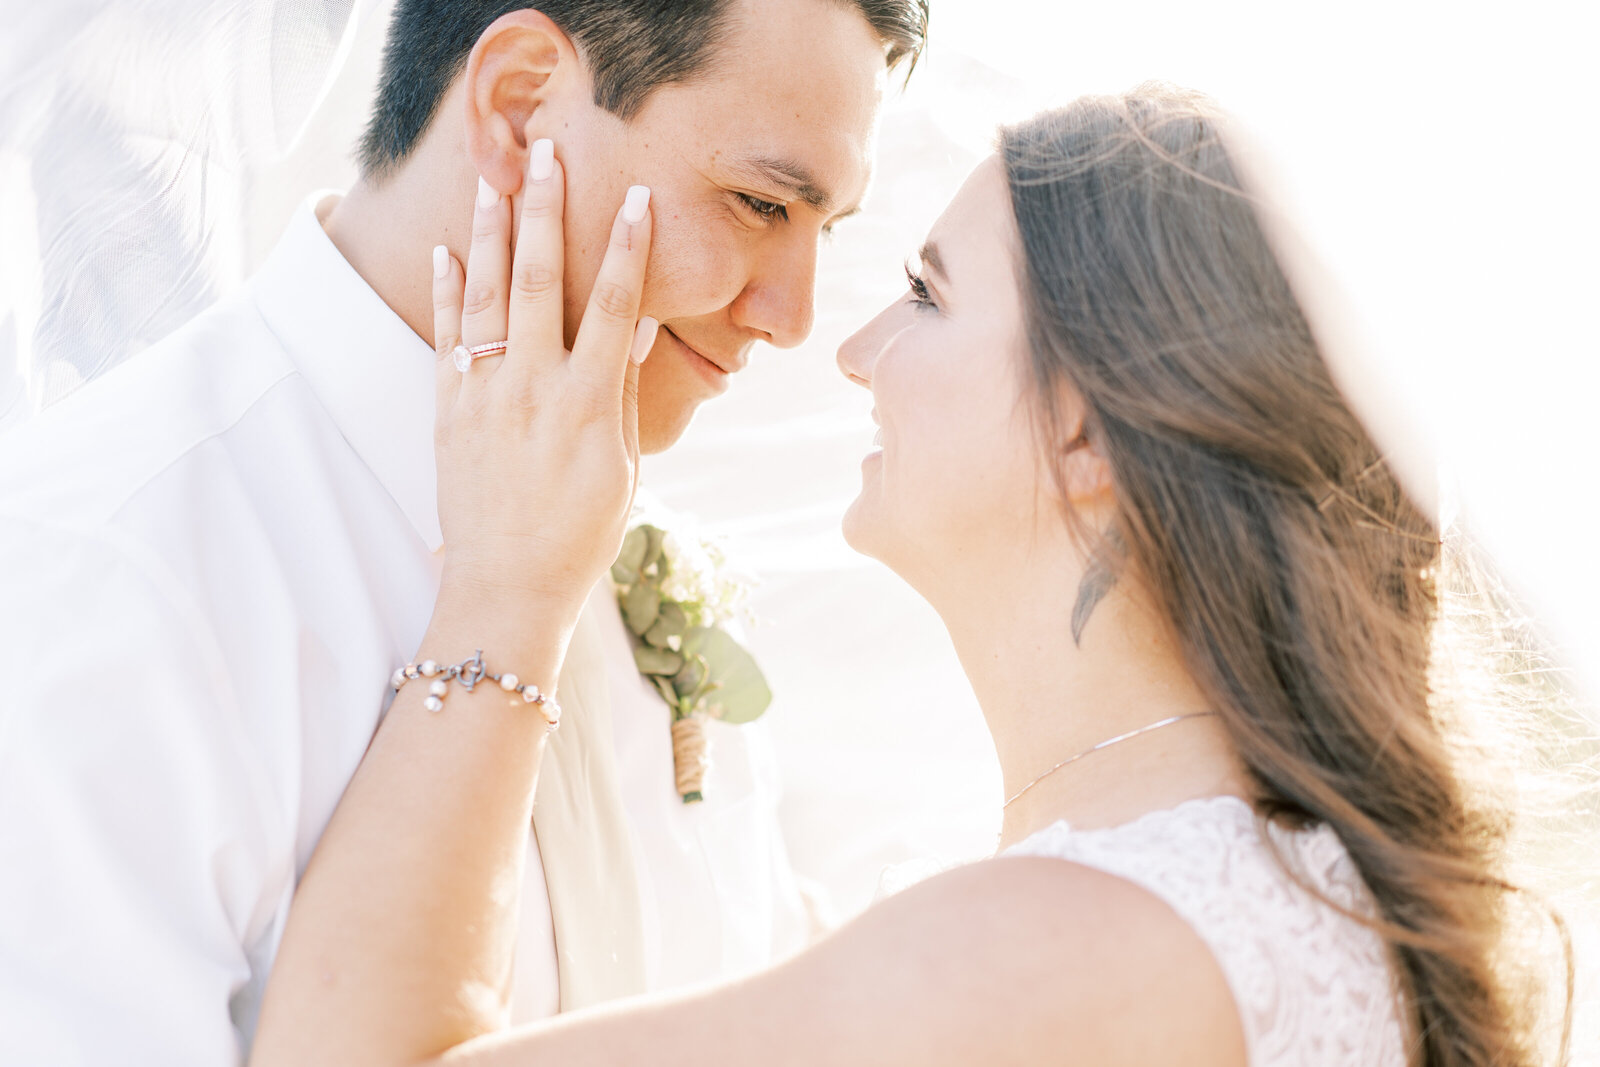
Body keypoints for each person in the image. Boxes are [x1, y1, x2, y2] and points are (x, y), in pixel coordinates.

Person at [248, 85, 1567, 1066]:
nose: (854, 348)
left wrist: (508, 588)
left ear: (1088, 428)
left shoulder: (1065, 946)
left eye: (928, 294)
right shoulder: (1289, 891)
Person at [0, 1, 926, 1061]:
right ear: (521, 107)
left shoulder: (629, 540)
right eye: (759, 202)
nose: (794, 314)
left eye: (828, 228)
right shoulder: (99, 581)